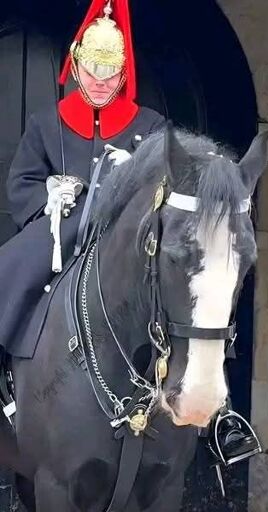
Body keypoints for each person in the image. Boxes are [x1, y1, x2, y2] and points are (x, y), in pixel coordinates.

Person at [0, 0, 165, 357]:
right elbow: (22, 182)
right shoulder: (46, 123)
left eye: (110, 73)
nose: (101, 82)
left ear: (123, 73)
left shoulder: (151, 125)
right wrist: (49, 198)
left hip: (126, 232)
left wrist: (138, 173)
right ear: (76, 66)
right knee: (10, 265)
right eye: (92, 72)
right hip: (63, 228)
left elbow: (167, 185)